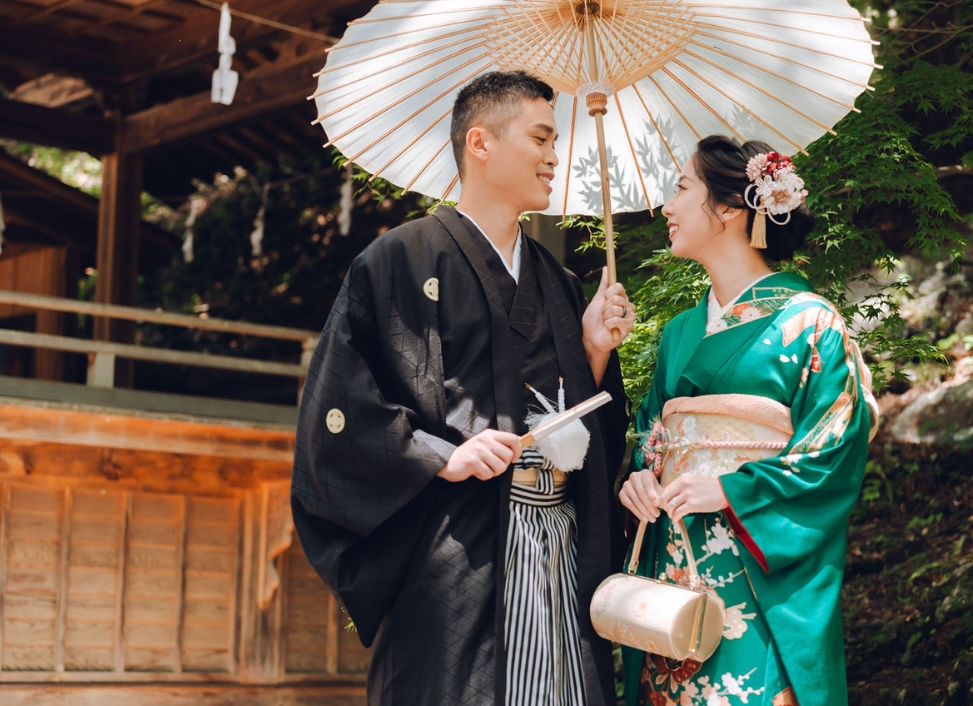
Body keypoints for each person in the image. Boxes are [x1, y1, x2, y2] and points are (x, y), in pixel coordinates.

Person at [292, 71, 636, 706]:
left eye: (554, 139)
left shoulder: (559, 282)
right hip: (456, 547)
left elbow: (584, 427)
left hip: (556, 536)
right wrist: (438, 455)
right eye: (539, 137)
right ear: (480, 143)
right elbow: (339, 409)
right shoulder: (399, 260)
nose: (553, 155)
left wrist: (592, 349)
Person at [617, 135, 878, 706]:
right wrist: (639, 476)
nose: (667, 206)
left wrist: (733, 489)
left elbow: (833, 452)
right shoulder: (679, 334)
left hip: (754, 575)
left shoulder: (812, 324)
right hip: (673, 574)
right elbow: (649, 437)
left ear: (731, 208)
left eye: (682, 188)